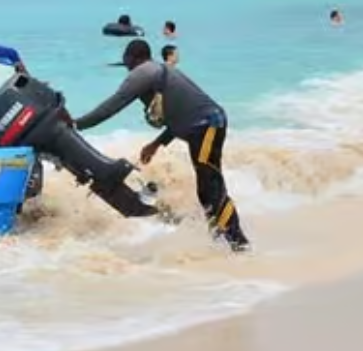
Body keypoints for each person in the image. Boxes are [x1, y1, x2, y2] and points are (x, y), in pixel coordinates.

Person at [69, 39, 251, 252]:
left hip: (206, 126)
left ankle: (238, 243)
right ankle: (223, 239)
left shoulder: (141, 74)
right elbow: (180, 114)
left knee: (210, 186)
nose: (126, 68)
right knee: (207, 189)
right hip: (204, 125)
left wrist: (74, 124)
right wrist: (156, 144)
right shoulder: (157, 70)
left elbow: (110, 108)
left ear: (132, 58)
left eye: (126, 62)